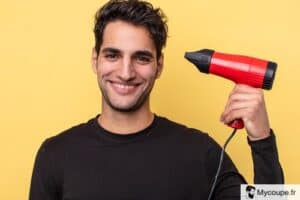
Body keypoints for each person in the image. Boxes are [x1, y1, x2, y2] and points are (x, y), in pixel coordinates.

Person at [29, 0, 284, 199]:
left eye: (141, 58)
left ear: (159, 65)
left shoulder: (201, 153)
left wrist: (262, 139)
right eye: (113, 55)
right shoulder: (55, 155)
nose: (126, 73)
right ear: (95, 59)